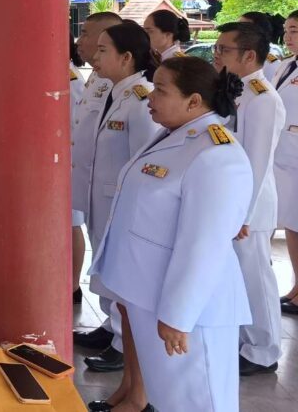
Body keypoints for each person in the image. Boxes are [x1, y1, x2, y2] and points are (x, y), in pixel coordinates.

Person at [89, 57, 253, 412]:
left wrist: (179, 315)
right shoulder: (175, 136)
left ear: (193, 101)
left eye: (161, 90)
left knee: (199, 401)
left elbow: (204, 247)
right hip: (151, 296)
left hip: (189, 312)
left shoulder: (217, 154)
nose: (151, 97)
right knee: (168, 399)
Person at [76, 22, 162, 374]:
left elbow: (144, 162)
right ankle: (111, 328)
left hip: (121, 204)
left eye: (103, 50)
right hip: (100, 197)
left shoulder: (141, 100)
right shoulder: (114, 92)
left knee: (120, 270)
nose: (95, 57)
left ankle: (123, 343)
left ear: (126, 57)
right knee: (105, 265)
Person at [214, 21, 285, 375]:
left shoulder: (262, 98)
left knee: (255, 278)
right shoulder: (237, 90)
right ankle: (244, 341)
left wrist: (244, 215)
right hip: (232, 201)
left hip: (250, 207)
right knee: (238, 276)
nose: (216, 55)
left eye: (224, 49)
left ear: (249, 55)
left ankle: (264, 350)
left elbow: (256, 162)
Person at [71, 11, 122, 348]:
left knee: (116, 261)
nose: (81, 41)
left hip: (114, 194)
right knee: (102, 256)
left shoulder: (135, 93)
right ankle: (110, 324)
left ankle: (121, 338)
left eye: (89, 34)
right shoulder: (98, 81)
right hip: (93, 186)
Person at [275, 10, 298, 316]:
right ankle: (296, 288)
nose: (288, 36)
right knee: (293, 224)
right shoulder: (285, 65)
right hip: (286, 157)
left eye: (294, 30)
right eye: (287, 30)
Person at [69, 31, 86, 303]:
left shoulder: (70, 79)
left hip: (68, 162)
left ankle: (73, 285)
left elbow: (74, 125)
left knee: (71, 224)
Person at [239, 11, 283, 84]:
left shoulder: (270, 59)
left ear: (260, 31)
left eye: (245, 27)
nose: (238, 30)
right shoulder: (240, 51)